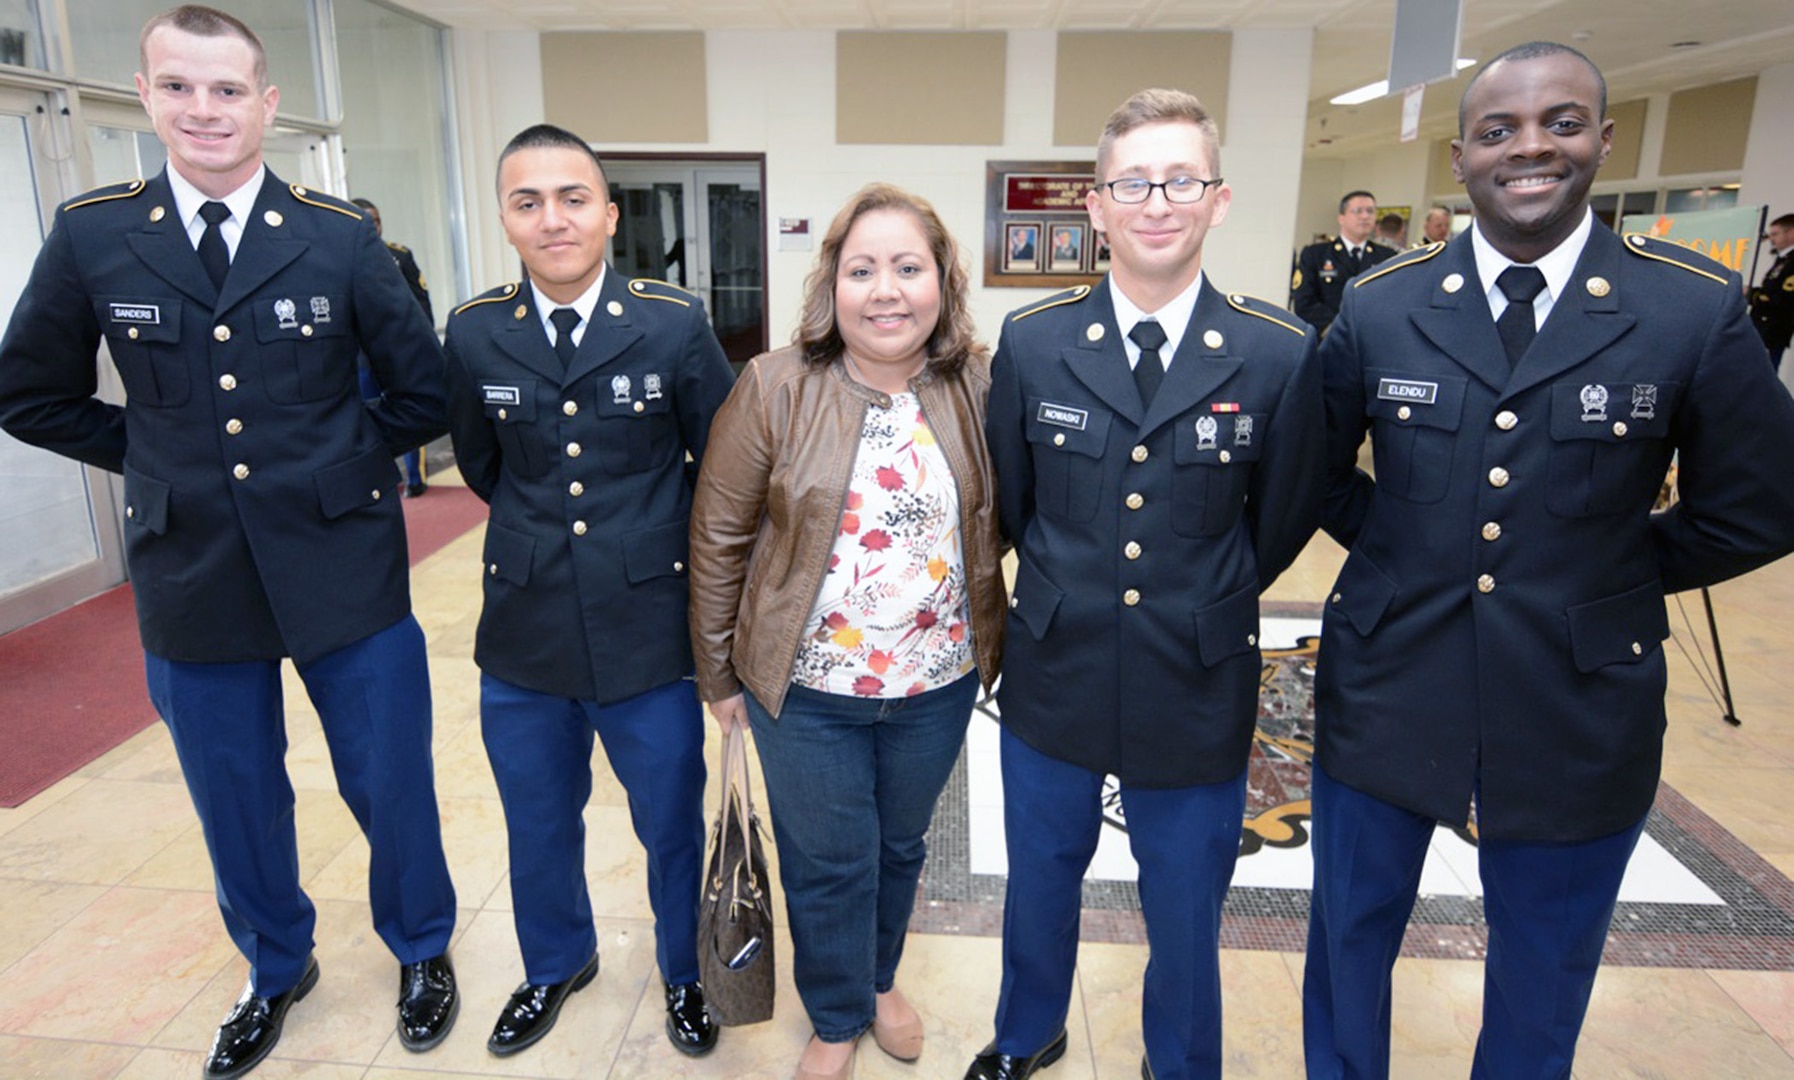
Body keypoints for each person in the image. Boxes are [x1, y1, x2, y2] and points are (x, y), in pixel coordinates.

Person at [1305, 42, 1794, 1078]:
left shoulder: (1688, 308)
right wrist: (1400, 550)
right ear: (1461, 157)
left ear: (1602, 142)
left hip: (1581, 696)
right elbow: (1314, 475)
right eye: (1500, 130)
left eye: (1561, 124)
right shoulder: (1385, 303)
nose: (1531, 148)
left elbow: (1762, 506)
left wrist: (1616, 566)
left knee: (1545, 967)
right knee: (1348, 942)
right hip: (1392, 675)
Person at [0, 6, 460, 1077]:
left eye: (224, 90)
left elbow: (421, 389)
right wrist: (154, 456)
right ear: (148, 95)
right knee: (234, 789)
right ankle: (274, 962)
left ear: (267, 104)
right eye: (177, 87)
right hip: (192, 570)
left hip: (343, 558)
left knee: (389, 778)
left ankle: (422, 949)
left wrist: (342, 467)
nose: (202, 110)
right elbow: (29, 393)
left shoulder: (338, 235)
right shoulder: (96, 233)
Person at [972, 88, 1323, 1080]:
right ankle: (1025, 1031)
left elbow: (1285, 515)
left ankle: (1180, 1061)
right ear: (1096, 205)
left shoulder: (1277, 351)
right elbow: (1013, 501)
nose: (1157, 202)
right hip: (1058, 665)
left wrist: (1208, 595)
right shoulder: (1035, 343)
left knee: (1184, 894)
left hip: (1196, 674)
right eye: (1134, 182)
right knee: (1039, 876)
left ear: (1217, 200)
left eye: (1181, 180)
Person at [689, 182, 1004, 1080]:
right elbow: (718, 536)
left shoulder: (980, 386)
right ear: (832, 286)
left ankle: (878, 979)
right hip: (806, 689)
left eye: (908, 267)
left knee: (900, 848)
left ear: (943, 281)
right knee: (828, 861)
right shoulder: (774, 385)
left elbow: (1004, 518)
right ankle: (835, 1015)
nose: (886, 290)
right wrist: (717, 676)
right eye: (862, 269)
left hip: (935, 685)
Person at [443, 123, 733, 1060]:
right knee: (536, 819)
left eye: (573, 198)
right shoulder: (476, 329)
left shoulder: (672, 321)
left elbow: (721, 468)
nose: (552, 218)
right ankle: (554, 963)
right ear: (505, 218)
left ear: (609, 214)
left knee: (668, 823)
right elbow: (486, 468)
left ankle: (686, 973)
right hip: (524, 632)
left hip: (648, 628)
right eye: (528, 202)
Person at [351, 196, 434, 494]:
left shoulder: (399, 256)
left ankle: (415, 479)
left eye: (376, 220)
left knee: (411, 413)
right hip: (360, 359)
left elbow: (420, 303)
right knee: (365, 418)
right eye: (365, 220)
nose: (373, 226)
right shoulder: (340, 258)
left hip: (397, 357)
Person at [1292, 190, 1397, 333]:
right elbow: (1304, 302)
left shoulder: (1387, 256)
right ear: (1341, 218)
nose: (1365, 216)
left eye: (1370, 211)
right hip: (1327, 339)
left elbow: (1393, 300)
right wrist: (1337, 328)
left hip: (1372, 338)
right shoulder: (1315, 254)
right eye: (1357, 211)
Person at [1749, 212, 1793, 368]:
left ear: (1791, 232)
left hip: (1772, 331)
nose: (1771, 239)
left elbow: (1782, 300)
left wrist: (1751, 294)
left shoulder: (1791, 263)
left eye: (1775, 234)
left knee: (1760, 381)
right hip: (1762, 329)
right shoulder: (1782, 260)